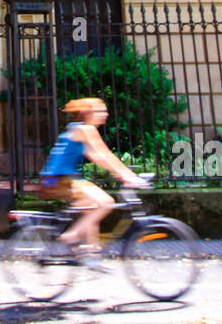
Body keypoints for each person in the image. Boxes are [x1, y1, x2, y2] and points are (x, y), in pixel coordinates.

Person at [38, 97, 145, 256]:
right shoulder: (86, 130)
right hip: (61, 179)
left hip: (56, 179)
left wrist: (123, 174)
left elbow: (97, 156)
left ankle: (91, 252)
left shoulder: (77, 129)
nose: (105, 114)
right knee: (106, 203)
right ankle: (71, 235)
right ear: (89, 113)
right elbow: (105, 156)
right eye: (101, 111)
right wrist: (128, 176)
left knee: (91, 208)